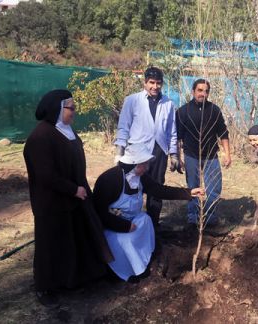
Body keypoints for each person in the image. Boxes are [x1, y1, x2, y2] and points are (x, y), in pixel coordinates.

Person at [23, 90, 113, 306]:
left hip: (74, 198)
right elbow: (46, 175)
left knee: (72, 241)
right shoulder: (41, 137)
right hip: (51, 203)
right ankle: (45, 288)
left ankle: (72, 280)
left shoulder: (66, 131)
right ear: (57, 109)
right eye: (70, 108)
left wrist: (80, 189)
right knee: (50, 246)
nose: (74, 112)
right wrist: (73, 189)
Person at [93, 144, 204, 281]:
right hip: (113, 226)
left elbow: (158, 190)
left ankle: (145, 258)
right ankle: (129, 271)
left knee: (145, 220)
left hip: (132, 220)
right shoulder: (109, 180)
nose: (147, 167)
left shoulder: (141, 177)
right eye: (144, 164)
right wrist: (124, 226)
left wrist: (189, 192)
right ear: (134, 163)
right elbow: (99, 212)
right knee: (126, 241)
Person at [114, 67, 181, 227]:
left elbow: (172, 131)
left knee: (156, 189)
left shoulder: (168, 104)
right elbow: (123, 127)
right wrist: (119, 152)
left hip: (159, 152)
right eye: (151, 83)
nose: (155, 87)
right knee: (131, 187)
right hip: (136, 152)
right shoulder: (132, 100)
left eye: (158, 83)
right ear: (145, 82)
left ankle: (152, 225)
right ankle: (128, 223)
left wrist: (173, 154)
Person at [176, 79, 231, 226]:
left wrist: (227, 154)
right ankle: (193, 216)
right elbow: (178, 137)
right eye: (200, 90)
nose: (203, 94)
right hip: (191, 155)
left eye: (206, 91)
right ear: (193, 91)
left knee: (214, 187)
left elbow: (223, 133)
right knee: (193, 187)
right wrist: (178, 157)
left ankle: (211, 216)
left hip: (211, 155)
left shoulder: (214, 110)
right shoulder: (183, 111)